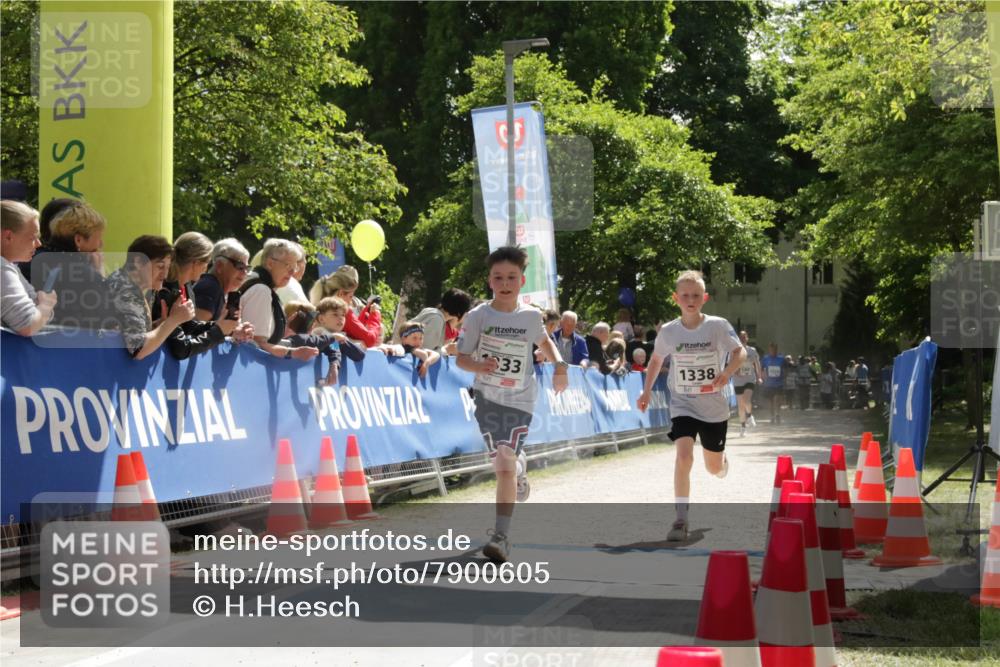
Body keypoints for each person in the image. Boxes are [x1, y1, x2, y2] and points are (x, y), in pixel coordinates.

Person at [456, 246, 569, 563]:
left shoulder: (532, 315)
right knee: (504, 463)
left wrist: (559, 366)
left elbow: (544, 341)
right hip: (487, 397)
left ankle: (501, 536)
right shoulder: (479, 316)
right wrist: (479, 367)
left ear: (522, 281)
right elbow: (462, 358)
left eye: (511, 277)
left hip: (521, 398)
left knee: (504, 462)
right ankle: (519, 471)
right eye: (498, 277)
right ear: (489, 281)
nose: (504, 283)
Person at [637, 270, 745, 542]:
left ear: (704, 298)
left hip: (714, 408)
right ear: (676, 298)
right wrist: (646, 391)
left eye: (696, 295)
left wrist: (727, 372)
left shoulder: (717, 326)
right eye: (685, 295)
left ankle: (720, 462)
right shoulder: (670, 331)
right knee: (684, 457)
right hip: (683, 403)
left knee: (713, 469)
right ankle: (681, 519)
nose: (690, 299)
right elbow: (656, 361)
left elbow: (740, 351)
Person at [157, 232, 251, 359]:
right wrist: (219, 331)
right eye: (207, 262)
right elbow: (181, 348)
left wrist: (225, 327)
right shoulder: (167, 290)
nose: (207, 268)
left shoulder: (186, 287)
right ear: (195, 263)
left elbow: (189, 326)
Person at [106, 235, 196, 360]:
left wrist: (158, 325)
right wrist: (173, 321)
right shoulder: (125, 289)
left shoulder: (132, 285)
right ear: (138, 262)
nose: (165, 275)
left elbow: (130, 332)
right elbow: (138, 349)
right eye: (160, 266)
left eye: (167, 268)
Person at [239, 238, 318, 361]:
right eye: (288, 265)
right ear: (270, 263)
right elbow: (256, 346)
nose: (292, 272)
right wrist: (293, 352)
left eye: (295, 266)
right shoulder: (261, 290)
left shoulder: (259, 284)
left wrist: (281, 333)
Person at [44, 200, 116, 330]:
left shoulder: (32, 259)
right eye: (98, 238)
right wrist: (99, 273)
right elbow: (110, 321)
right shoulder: (82, 273)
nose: (100, 245)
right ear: (78, 240)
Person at [1, 200, 56, 335]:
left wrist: (42, 309)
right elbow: (28, 325)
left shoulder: (8, 266)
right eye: (32, 237)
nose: (38, 244)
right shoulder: (2, 269)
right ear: (8, 236)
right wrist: (47, 305)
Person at [284, 300, 364, 386]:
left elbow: (358, 355)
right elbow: (304, 340)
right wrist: (333, 337)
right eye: (309, 319)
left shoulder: (322, 338)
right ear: (291, 319)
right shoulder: (278, 338)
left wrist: (334, 364)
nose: (313, 323)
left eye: (313, 319)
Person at [309, 264, 382, 348]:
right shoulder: (343, 312)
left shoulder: (323, 307)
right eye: (350, 296)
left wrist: (366, 311)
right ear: (340, 293)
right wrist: (375, 315)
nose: (351, 301)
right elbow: (370, 339)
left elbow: (354, 329)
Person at [194, 238, 251, 322]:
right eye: (240, 266)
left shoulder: (217, 289)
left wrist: (235, 332)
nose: (245, 272)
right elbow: (195, 331)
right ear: (219, 265)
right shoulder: (210, 288)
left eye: (247, 268)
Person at [410, 287, 473, 352]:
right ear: (459, 312)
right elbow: (426, 350)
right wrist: (447, 349)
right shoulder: (436, 320)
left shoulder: (430, 311)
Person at [733, 331, 762, 437]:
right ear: (738, 338)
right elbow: (729, 364)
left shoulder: (752, 350)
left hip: (750, 378)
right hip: (738, 380)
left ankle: (749, 416)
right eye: (740, 337)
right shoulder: (734, 350)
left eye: (744, 337)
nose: (742, 339)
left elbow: (757, 364)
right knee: (741, 406)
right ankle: (743, 427)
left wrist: (759, 377)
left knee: (746, 399)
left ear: (747, 338)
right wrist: (735, 371)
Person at [760, 343, 784, 424]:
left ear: (777, 350)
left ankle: (778, 414)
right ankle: (772, 416)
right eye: (771, 350)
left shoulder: (781, 359)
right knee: (771, 402)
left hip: (779, 383)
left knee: (777, 399)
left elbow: (786, 369)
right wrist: (763, 376)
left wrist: (784, 376)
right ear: (769, 350)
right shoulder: (765, 359)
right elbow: (761, 368)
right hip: (768, 384)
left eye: (775, 350)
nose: (773, 351)